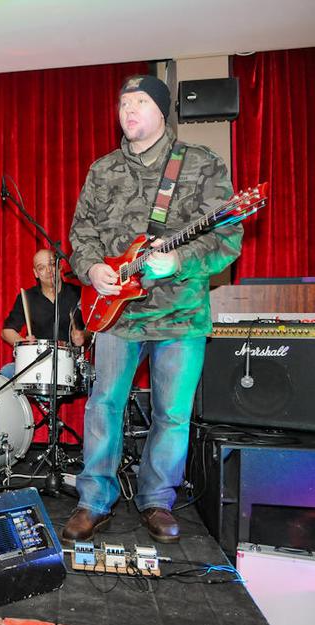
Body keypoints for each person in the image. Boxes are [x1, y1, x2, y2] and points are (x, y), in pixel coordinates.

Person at [65, 75, 242, 544]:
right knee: (103, 406)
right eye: (124, 103)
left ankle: (157, 500)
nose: (129, 110)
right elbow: (81, 234)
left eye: (140, 101)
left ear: (162, 111)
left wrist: (179, 260)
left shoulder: (201, 163)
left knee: (172, 415)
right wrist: (92, 269)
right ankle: (94, 500)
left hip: (180, 315)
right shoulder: (102, 169)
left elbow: (228, 239)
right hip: (116, 315)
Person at [0, 248, 85, 379]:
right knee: (6, 372)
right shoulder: (27, 297)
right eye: (41, 268)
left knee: (96, 377)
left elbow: (95, 329)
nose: (48, 271)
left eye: (51, 264)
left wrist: (83, 335)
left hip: (70, 364)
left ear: (60, 266)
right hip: (37, 363)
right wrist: (24, 343)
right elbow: (7, 331)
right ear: (36, 273)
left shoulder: (78, 294)